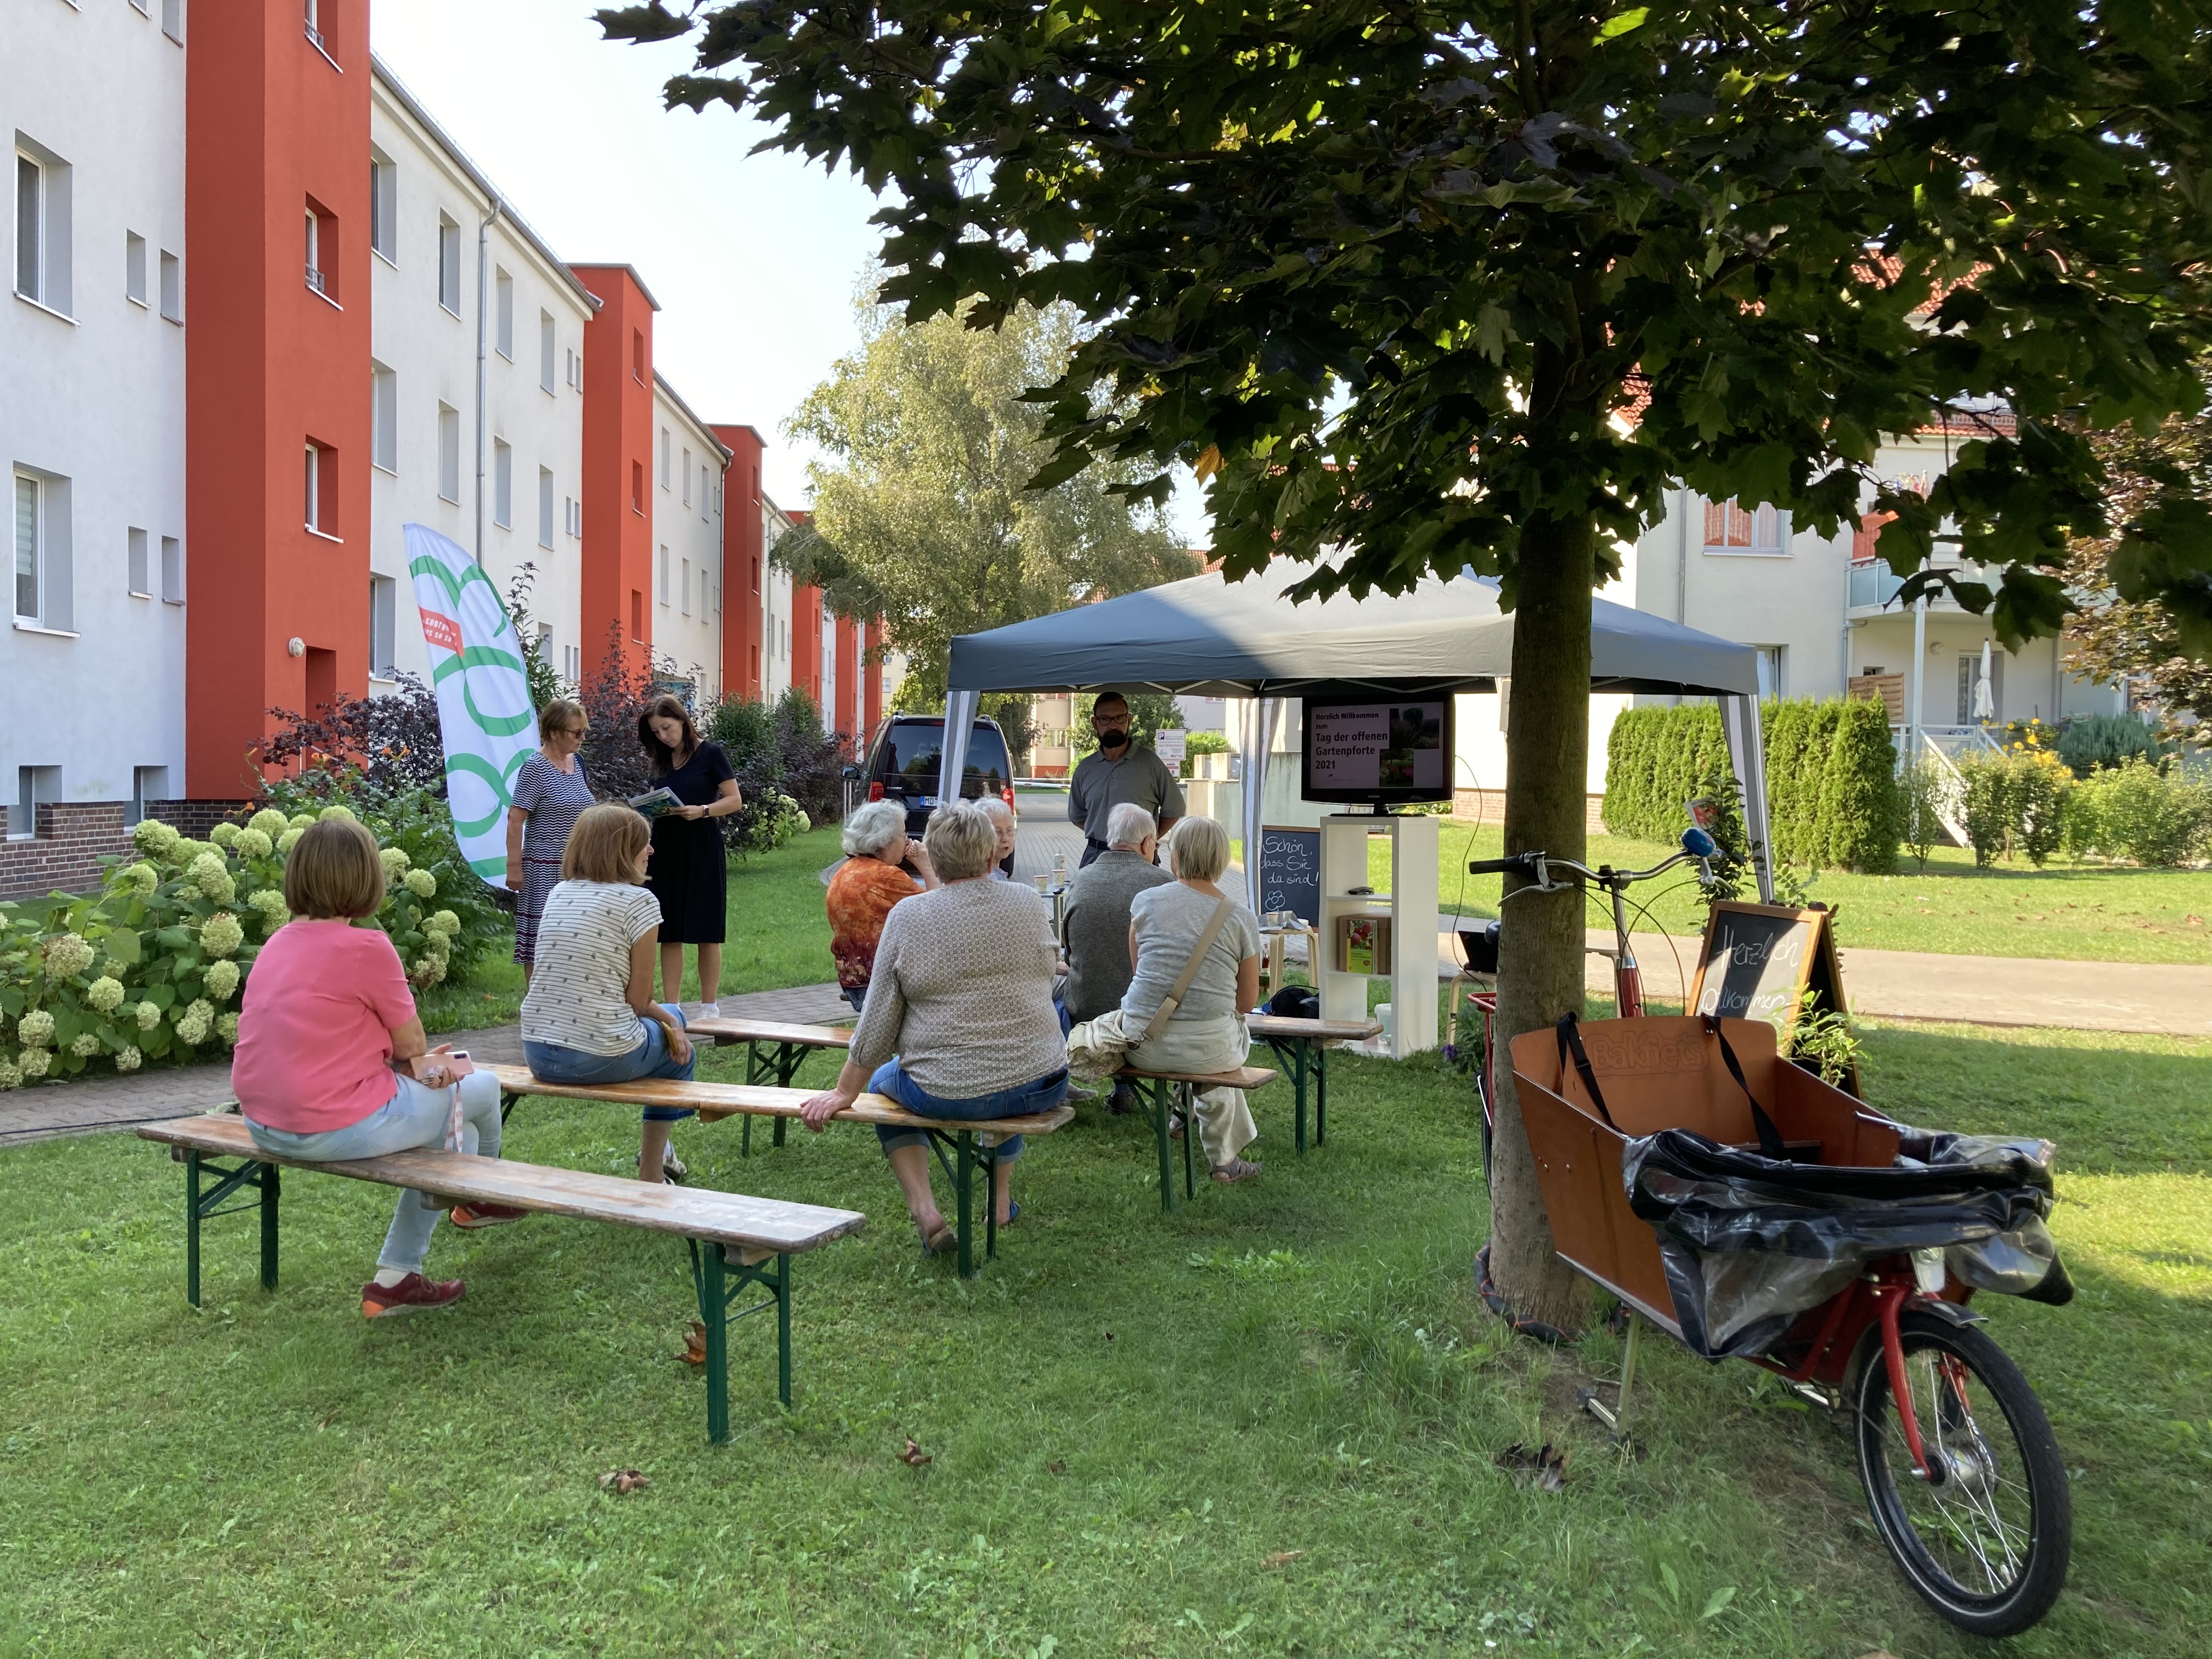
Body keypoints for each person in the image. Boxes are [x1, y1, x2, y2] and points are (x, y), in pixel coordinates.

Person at [233, 816, 520, 1319]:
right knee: (484, 1087)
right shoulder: (368, 947)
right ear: (366, 878)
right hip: (330, 1123)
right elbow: (413, 1045)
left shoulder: (276, 943)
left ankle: (396, 1280)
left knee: (459, 1139)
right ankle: (483, 1197)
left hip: (265, 1123)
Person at [799, 801, 1066, 1251]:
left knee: (883, 1085)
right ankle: (999, 1202)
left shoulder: (911, 916)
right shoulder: (1025, 901)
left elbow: (878, 1021)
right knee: (1002, 1079)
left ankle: (926, 1211)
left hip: (952, 1088)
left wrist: (844, 1092)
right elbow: (1047, 972)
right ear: (990, 856)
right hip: (1042, 1078)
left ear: (933, 859)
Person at [521, 803, 698, 1186]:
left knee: (670, 1022)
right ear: (622, 850)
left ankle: (661, 1160)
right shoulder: (640, 903)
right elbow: (639, 1002)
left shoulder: (558, 893)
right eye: (644, 844)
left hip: (536, 1051)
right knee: (679, 1045)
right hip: (596, 1057)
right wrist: (672, 1021)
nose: (650, 851)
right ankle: (654, 1169)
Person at [1120, 815, 1265, 1183]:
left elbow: (1140, 974)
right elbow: (1247, 1003)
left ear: (1177, 856)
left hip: (1142, 1040)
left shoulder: (1145, 902)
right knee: (1219, 1039)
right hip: (1209, 1050)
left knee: (1199, 1038)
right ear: (1220, 860)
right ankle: (1224, 1160)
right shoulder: (1241, 918)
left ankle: (1183, 1118)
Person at [1061, 802, 1173, 1114]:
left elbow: (1070, 952)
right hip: (1145, 1016)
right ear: (1148, 843)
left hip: (1084, 1007)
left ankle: (1056, 1081)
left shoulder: (1081, 879)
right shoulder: (1164, 884)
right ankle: (1126, 1092)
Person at [637, 695, 743, 1018]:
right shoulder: (661, 760)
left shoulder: (711, 754)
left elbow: (735, 800)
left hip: (702, 845)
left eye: (667, 728)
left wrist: (704, 811)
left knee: (705, 928)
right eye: (656, 732)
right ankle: (673, 1006)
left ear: (683, 720)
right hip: (665, 845)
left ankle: (709, 1006)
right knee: (668, 929)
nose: (663, 736)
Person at [505, 698, 594, 984]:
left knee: (574, 937)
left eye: (583, 732)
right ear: (554, 733)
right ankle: (537, 1004)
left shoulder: (576, 763)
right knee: (541, 940)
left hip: (576, 869)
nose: (581, 738)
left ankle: (566, 998)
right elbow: (515, 819)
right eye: (575, 732)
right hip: (544, 870)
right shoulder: (535, 768)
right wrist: (514, 866)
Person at [827, 798, 938, 1013]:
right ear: (885, 840)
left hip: (853, 979)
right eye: (903, 835)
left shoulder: (845, 872)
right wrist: (925, 865)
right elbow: (938, 912)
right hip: (882, 984)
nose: (907, 841)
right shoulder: (886, 876)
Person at [1067, 692, 1185, 868]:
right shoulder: (1086, 768)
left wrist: (1147, 840)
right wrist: (1107, 835)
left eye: (1119, 718)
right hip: (1096, 857)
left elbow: (1175, 809)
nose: (1113, 725)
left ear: (1129, 719)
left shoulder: (1150, 763)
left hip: (1140, 858)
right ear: (1095, 723)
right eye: (1105, 719)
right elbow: (1077, 815)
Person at [978, 795, 1018, 879]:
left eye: (1009, 830)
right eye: (998, 832)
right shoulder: (987, 878)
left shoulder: (998, 873)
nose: (1005, 839)